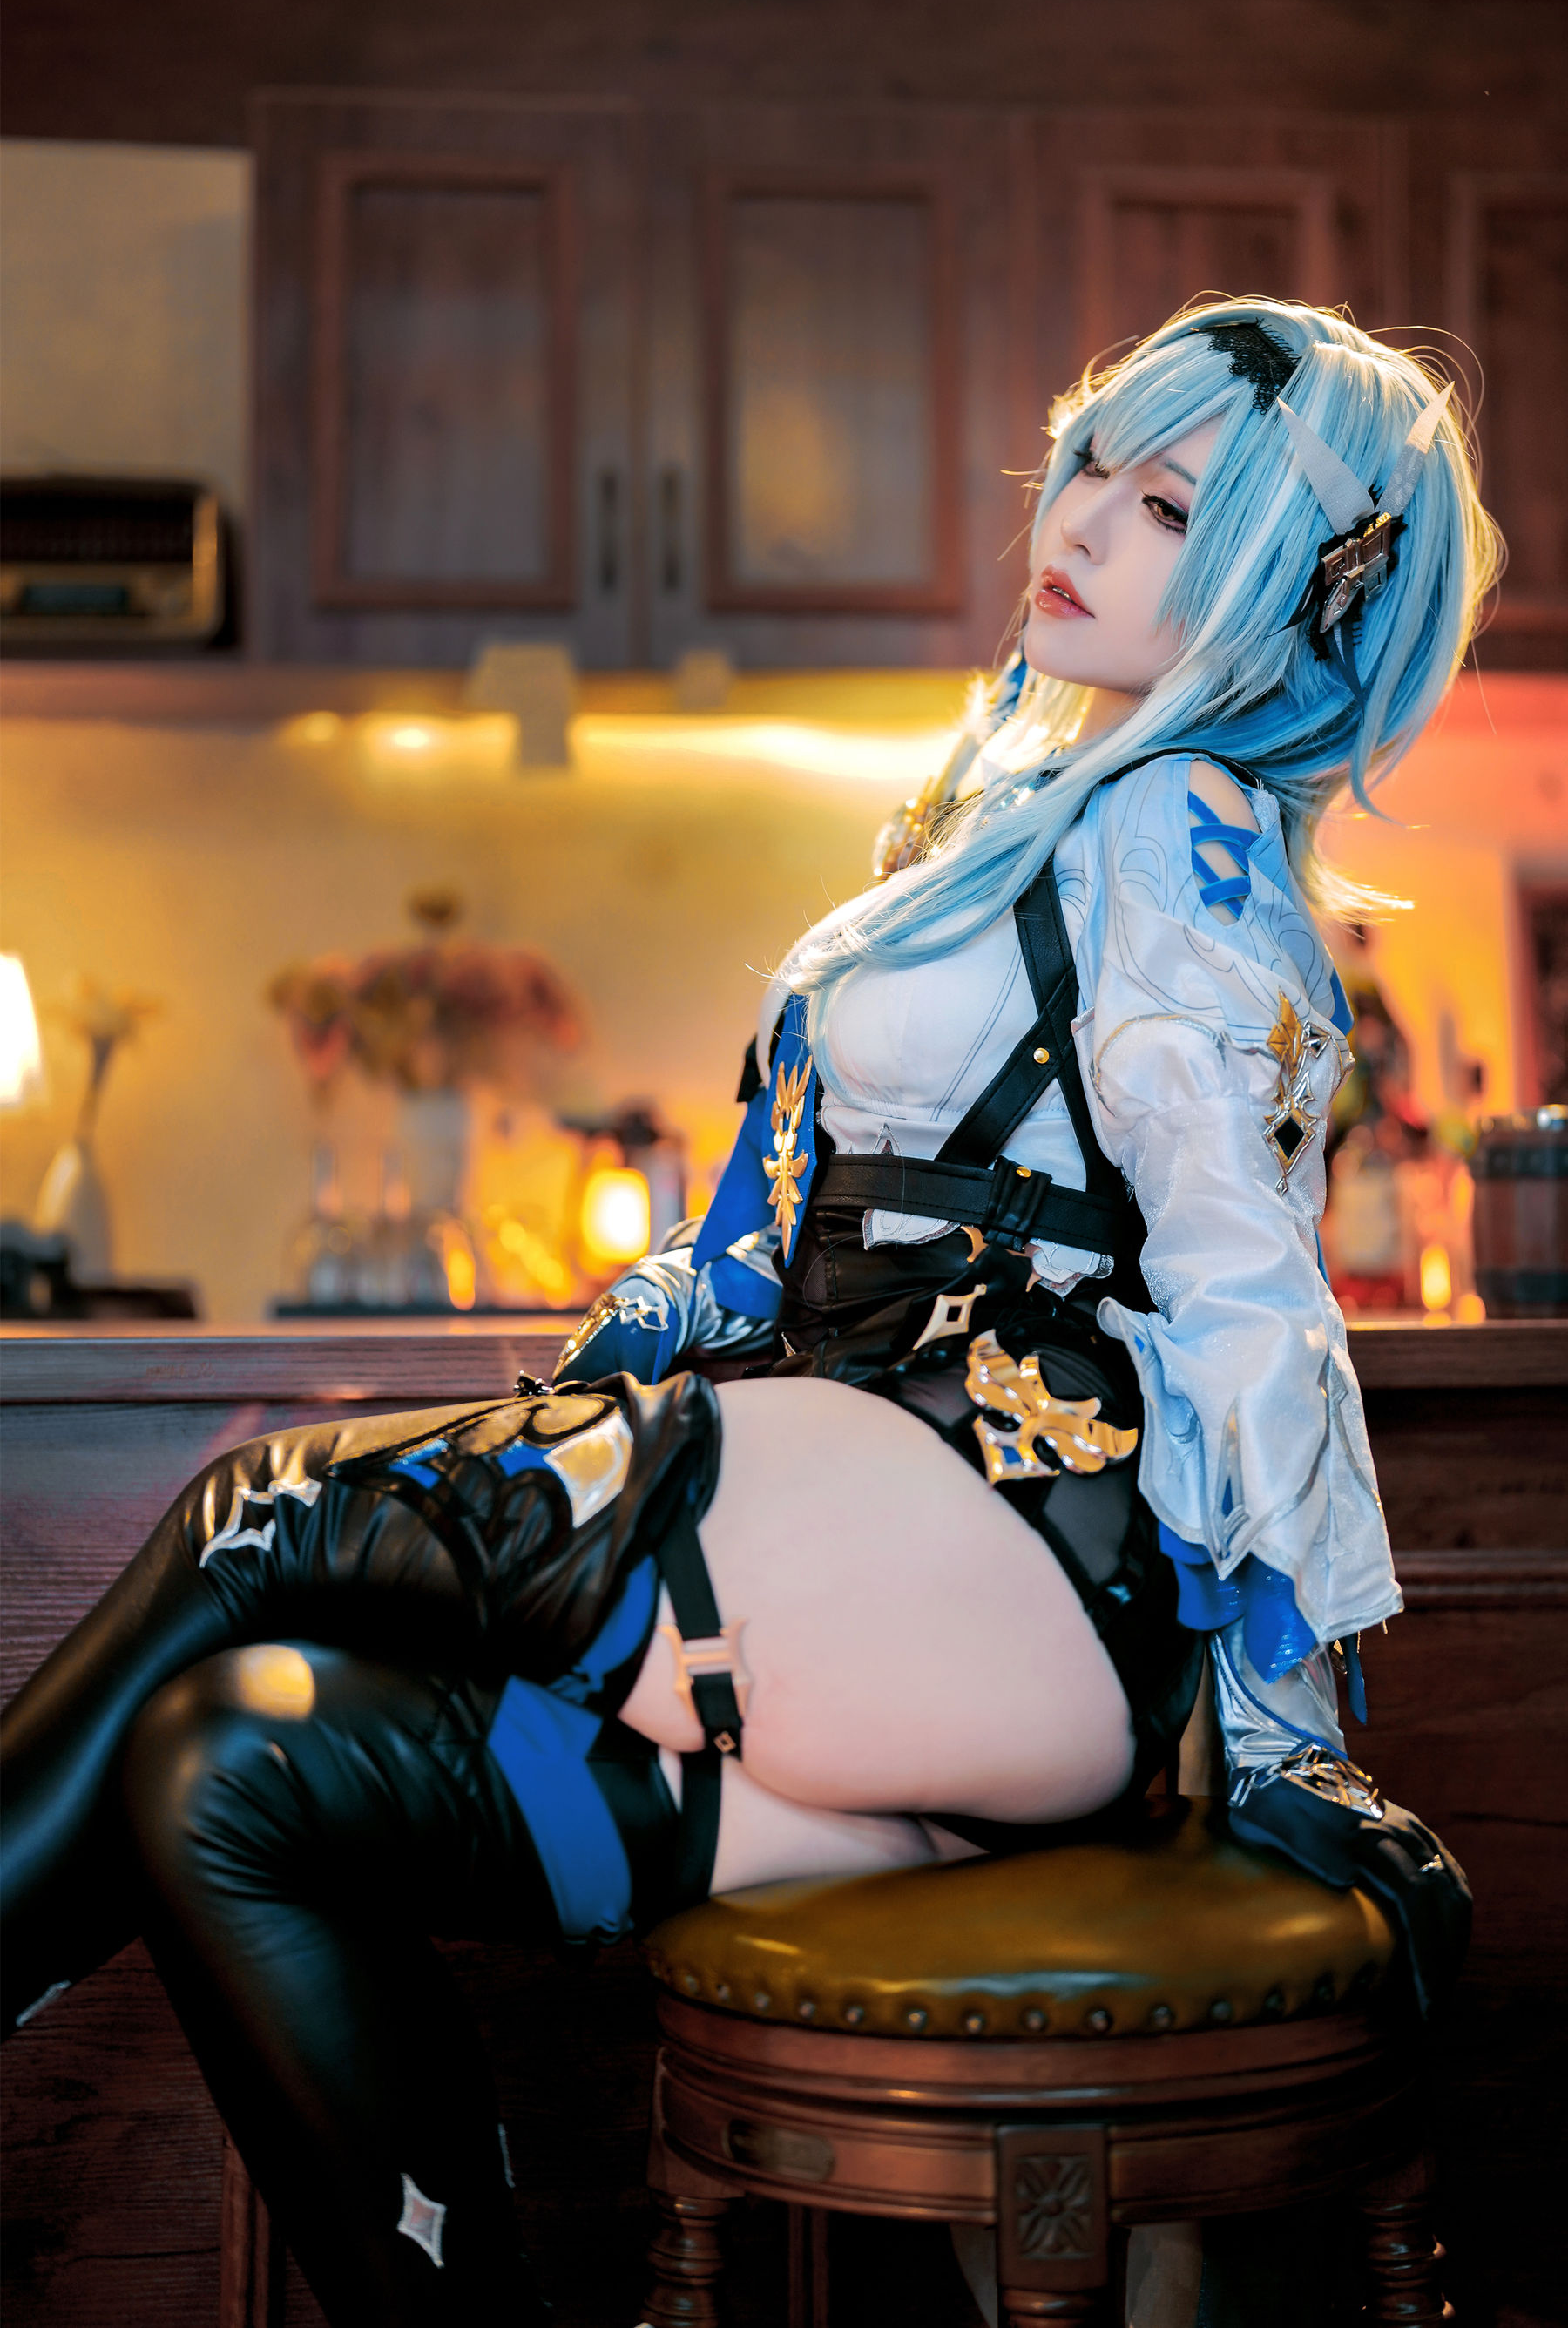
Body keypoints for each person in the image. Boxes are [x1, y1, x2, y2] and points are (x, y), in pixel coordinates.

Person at [1, 299, 1495, 2327]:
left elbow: (1251, 1282)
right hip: (869, 1572)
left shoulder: (1179, 826)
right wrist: (592, 1398)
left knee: (262, 1515)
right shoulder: (1029, 806)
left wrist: (1278, 1728)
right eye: (1089, 462)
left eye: (1167, 508)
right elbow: (760, 1238)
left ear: (1291, 593)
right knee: (229, 1763)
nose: (1076, 519)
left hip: (1008, 1535)